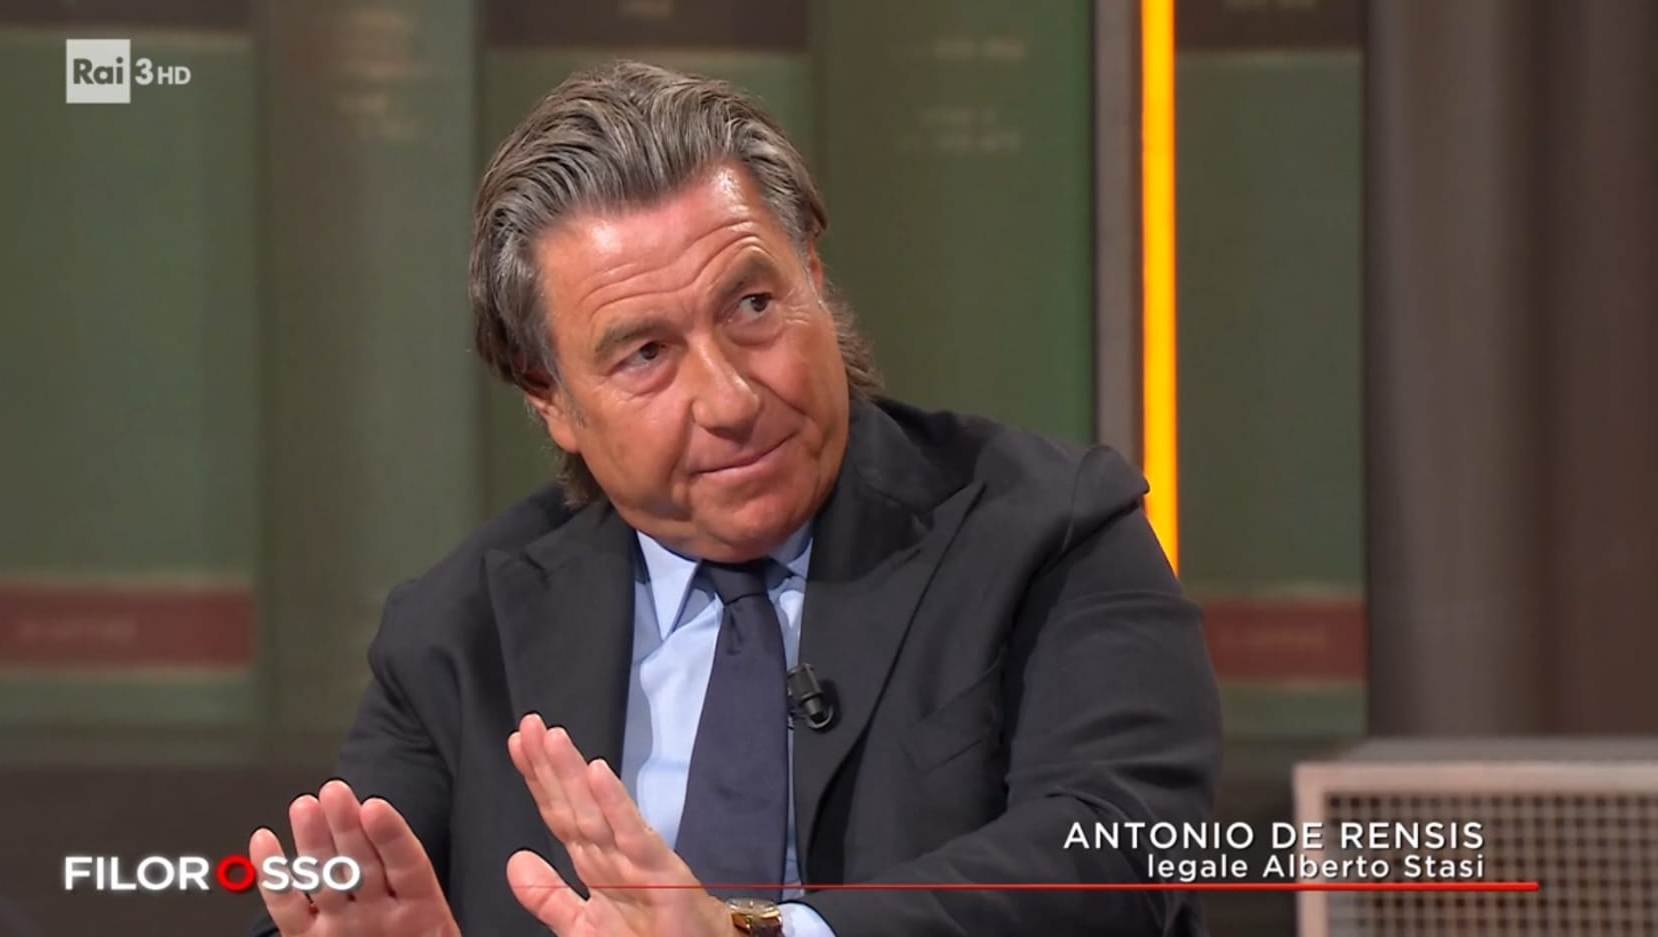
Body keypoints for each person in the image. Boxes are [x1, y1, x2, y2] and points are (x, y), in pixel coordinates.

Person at [246, 60, 1221, 937]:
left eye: (753, 307)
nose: (729, 400)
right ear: (551, 400)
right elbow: (335, 904)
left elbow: (1126, 850)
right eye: (645, 353)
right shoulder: (458, 636)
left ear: (815, 278)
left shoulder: (1048, 530)